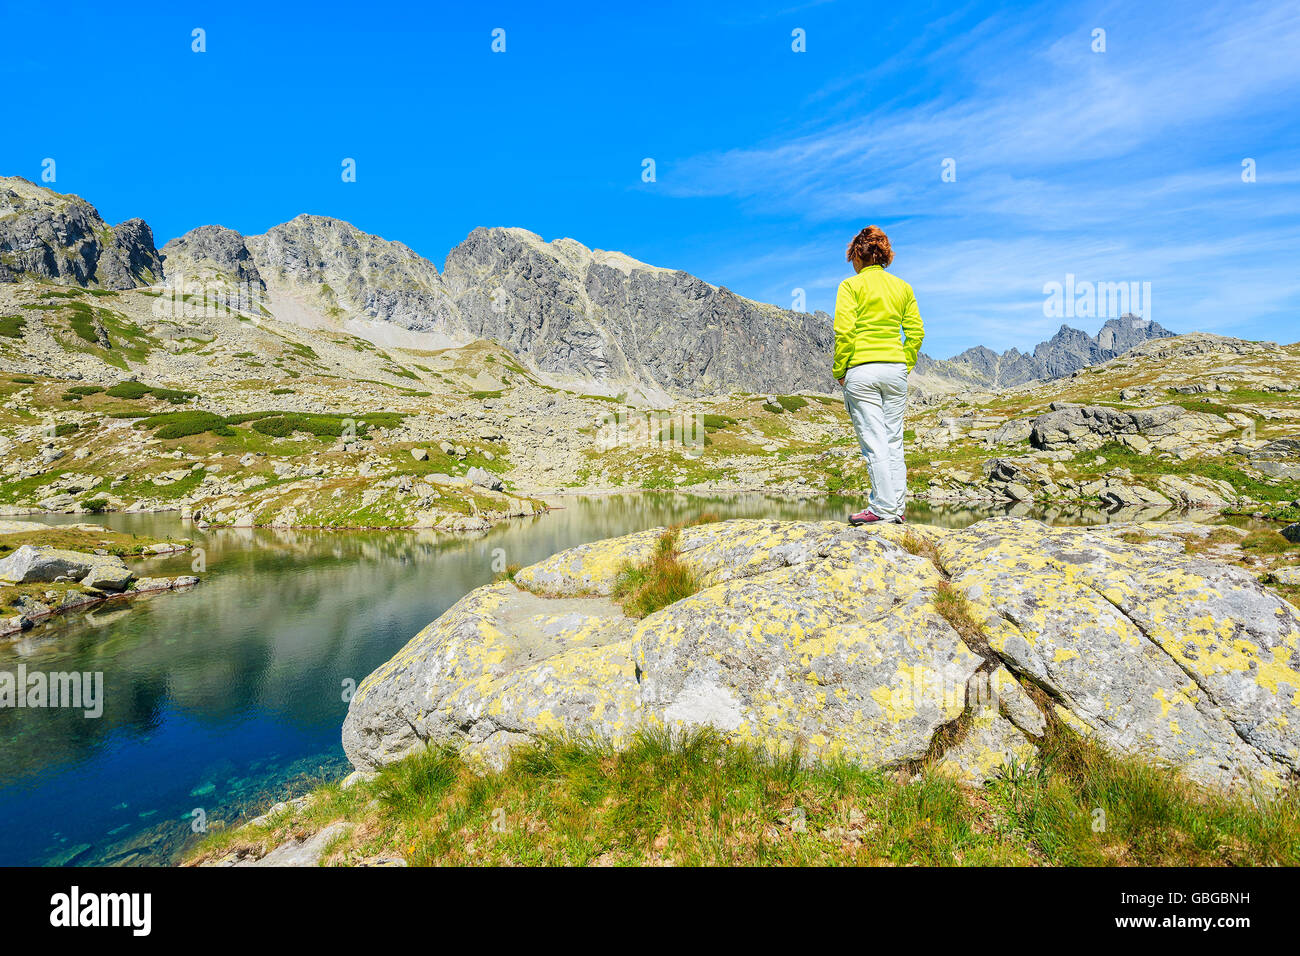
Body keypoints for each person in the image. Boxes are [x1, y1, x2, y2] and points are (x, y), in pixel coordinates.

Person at [833, 225, 924, 525]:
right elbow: (916, 333)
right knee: (893, 440)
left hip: (861, 371)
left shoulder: (850, 287)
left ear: (857, 255)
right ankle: (896, 507)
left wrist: (840, 371)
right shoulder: (903, 287)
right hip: (895, 370)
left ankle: (882, 509)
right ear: (884, 254)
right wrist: (904, 365)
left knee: (874, 443)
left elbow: (844, 332)